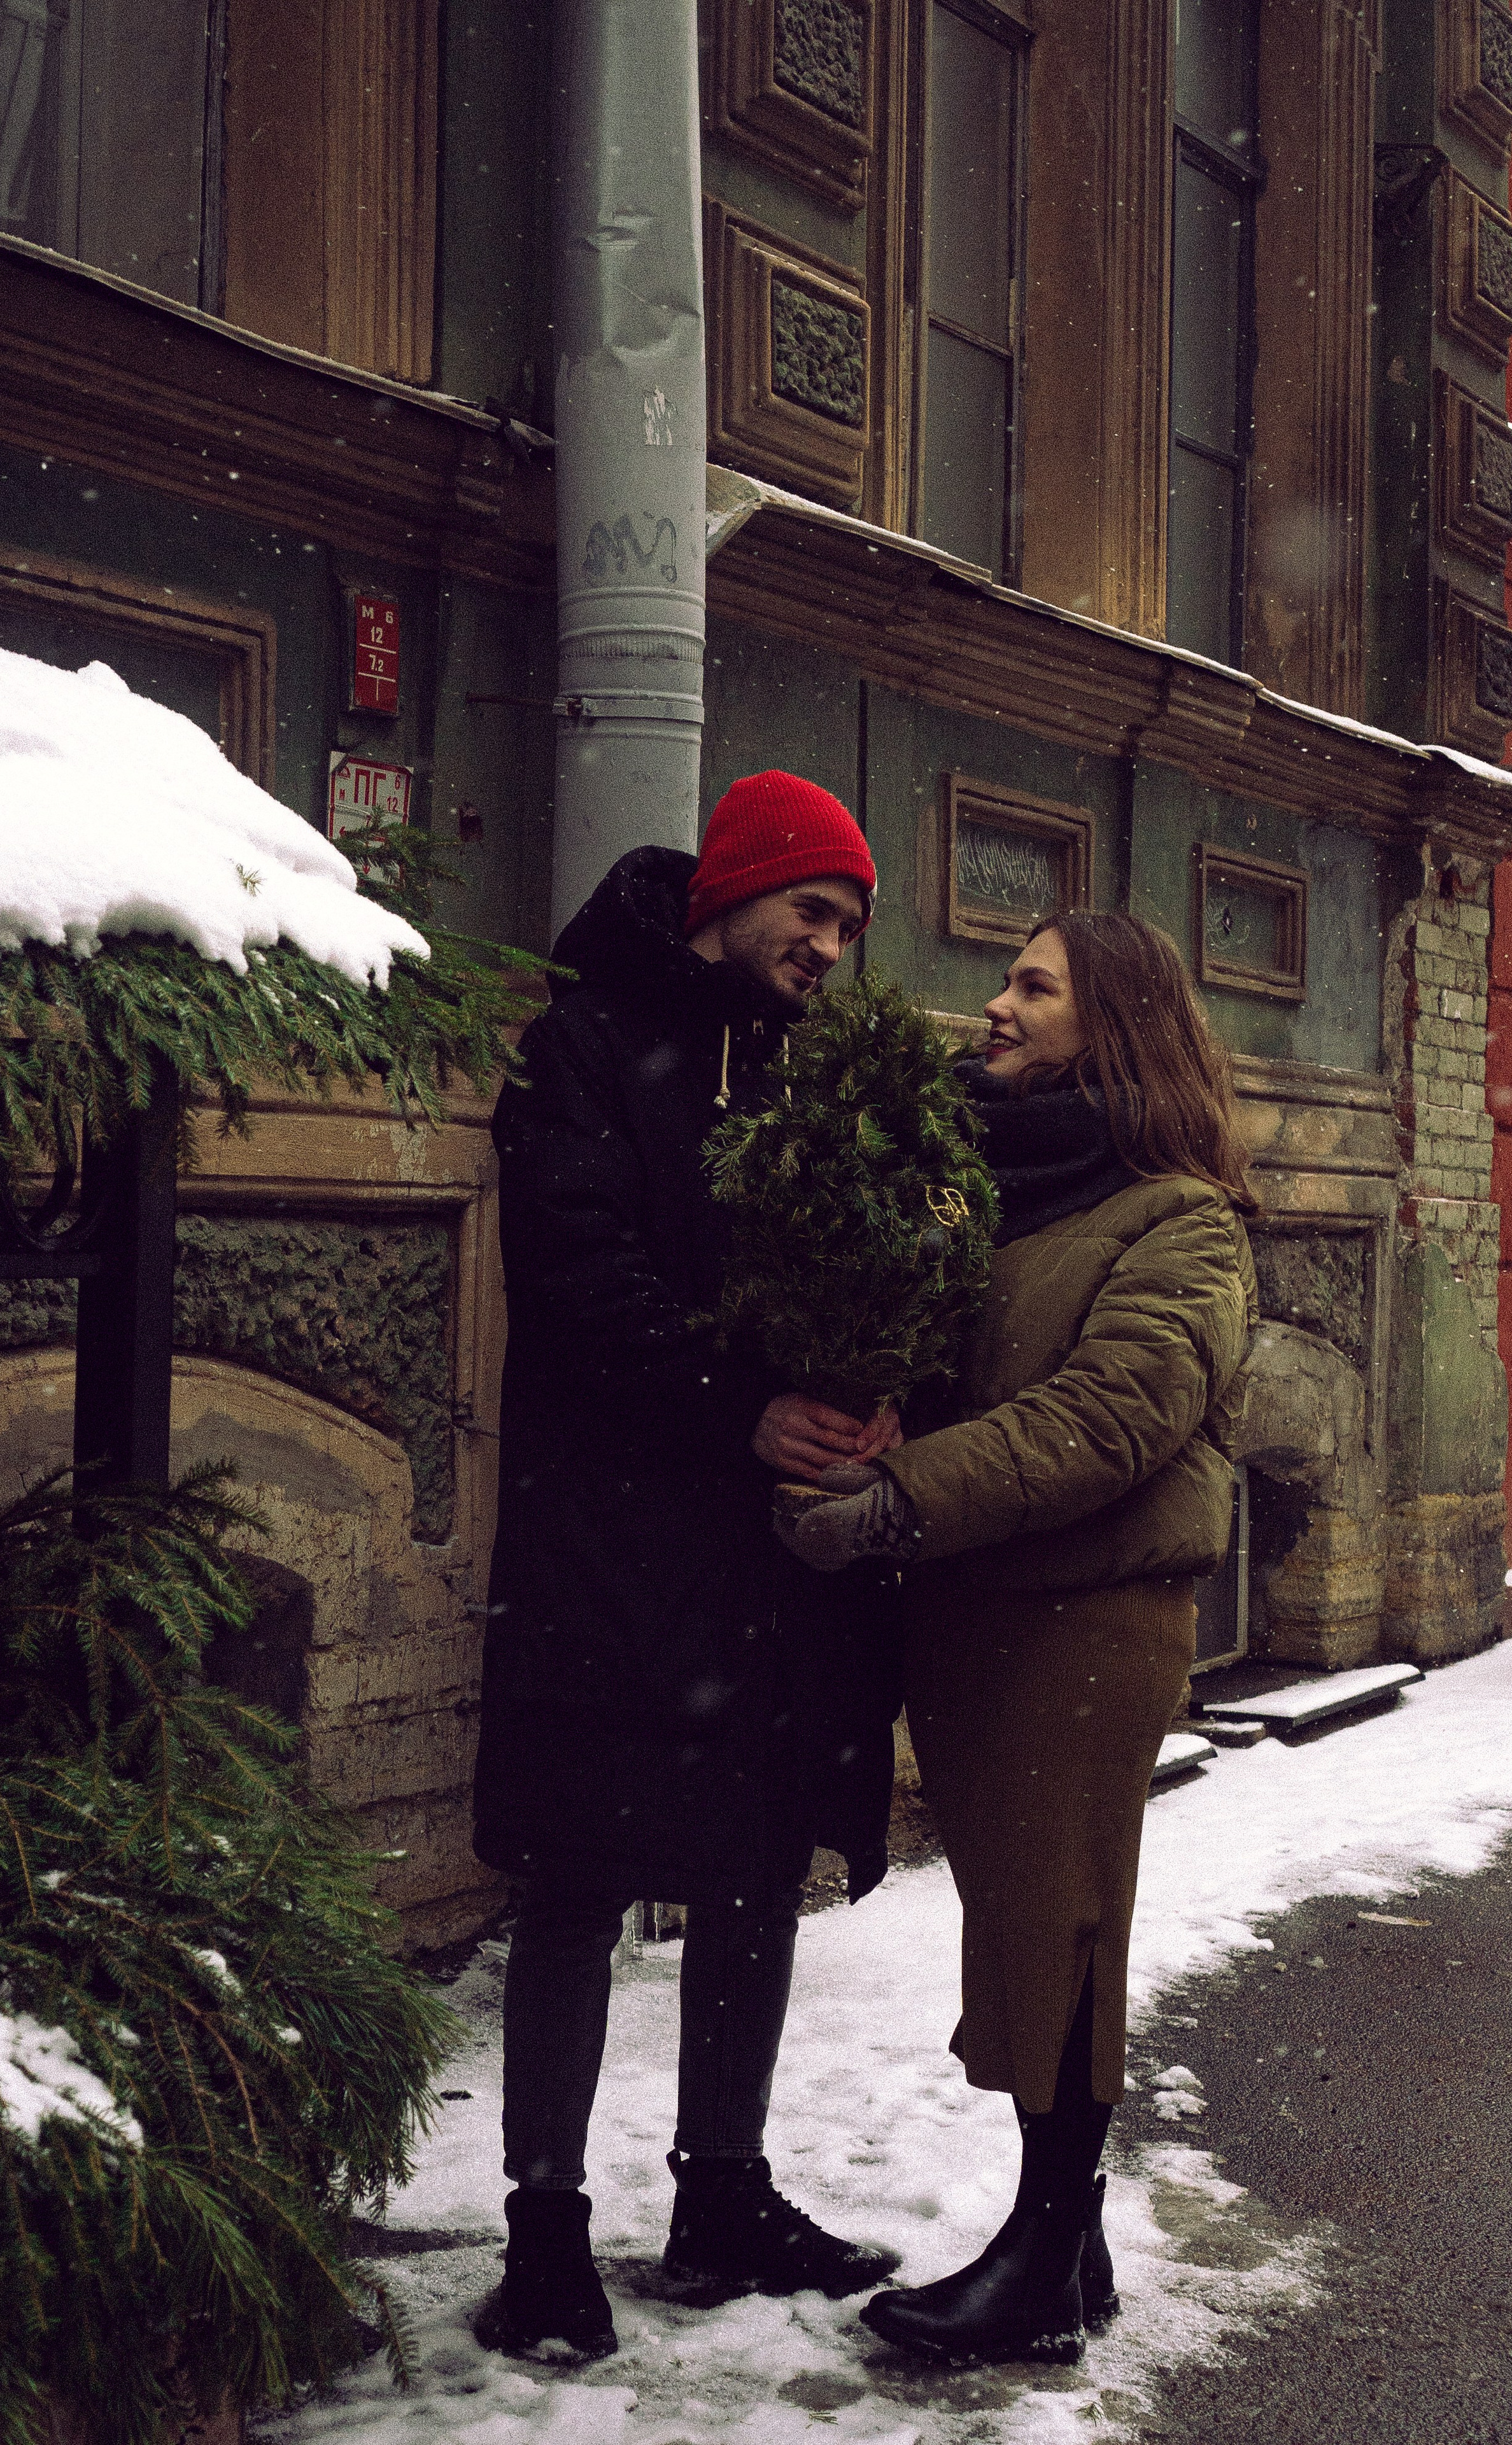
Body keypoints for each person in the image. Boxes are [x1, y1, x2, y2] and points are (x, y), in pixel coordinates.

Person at [776, 909, 1259, 2365]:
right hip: (980, 1614)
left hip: (1088, 1623)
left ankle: (1042, 2255)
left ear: (1109, 1022)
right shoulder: (997, 1192)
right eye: (1001, 980)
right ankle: (1073, 2246)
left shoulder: (1179, 1218)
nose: (988, 1008)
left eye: (1029, 988)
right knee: (1020, 1923)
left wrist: (893, 1502)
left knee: (1060, 1928)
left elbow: (1110, 1418)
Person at [471, 770, 904, 2360]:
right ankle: (545, 2236)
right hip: (606, 1537)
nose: (831, 950)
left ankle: (720, 2195)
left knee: (753, 1869)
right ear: (733, 891)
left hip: (761, 1553)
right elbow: (579, 1282)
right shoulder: (587, 1041)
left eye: (852, 926)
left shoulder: (806, 1071)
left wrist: (870, 1385)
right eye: (814, 911)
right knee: (577, 1877)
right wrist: (747, 1409)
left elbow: (848, 1265)